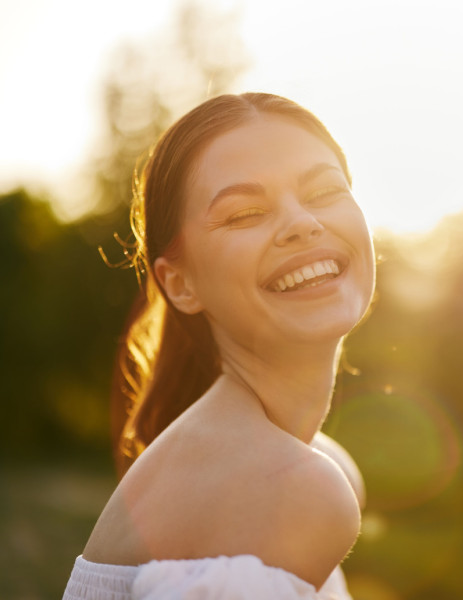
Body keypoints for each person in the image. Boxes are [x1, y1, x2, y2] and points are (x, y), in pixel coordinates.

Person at [63, 92, 376, 599]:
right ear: (181, 284)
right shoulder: (296, 488)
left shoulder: (317, 463)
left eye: (323, 191)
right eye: (244, 213)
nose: (302, 223)